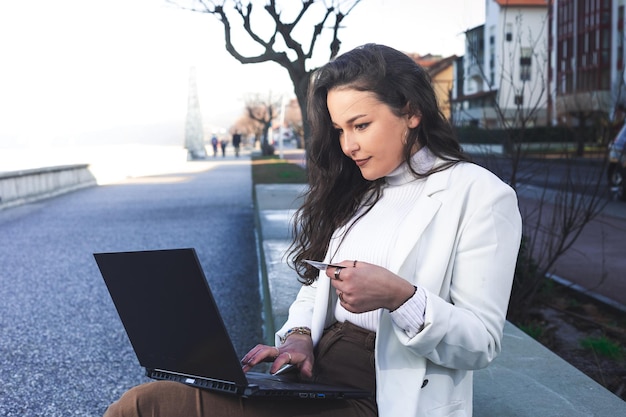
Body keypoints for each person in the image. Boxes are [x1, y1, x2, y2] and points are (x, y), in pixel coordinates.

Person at [103, 43, 522, 417]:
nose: (347, 145)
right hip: (315, 380)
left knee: (146, 406)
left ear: (411, 112)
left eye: (360, 125)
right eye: (340, 130)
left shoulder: (479, 194)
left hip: (381, 397)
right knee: (151, 397)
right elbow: (320, 287)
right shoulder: (361, 191)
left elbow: (481, 343)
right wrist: (299, 338)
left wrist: (400, 297)